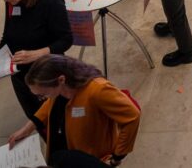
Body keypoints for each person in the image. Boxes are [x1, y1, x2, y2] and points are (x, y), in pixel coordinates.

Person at [7, 55, 140, 164]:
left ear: (61, 80)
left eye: (43, 94)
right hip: (62, 154)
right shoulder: (61, 88)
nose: (42, 98)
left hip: (87, 161)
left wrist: (117, 157)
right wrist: (29, 127)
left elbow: (132, 117)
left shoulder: (98, 90)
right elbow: (50, 103)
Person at [0, 0, 73, 117]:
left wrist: (38, 53)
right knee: (35, 117)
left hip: (47, 74)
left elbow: (66, 39)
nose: (5, 0)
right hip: (20, 76)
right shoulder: (12, 1)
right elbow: (8, 36)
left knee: (56, 117)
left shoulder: (51, 1)